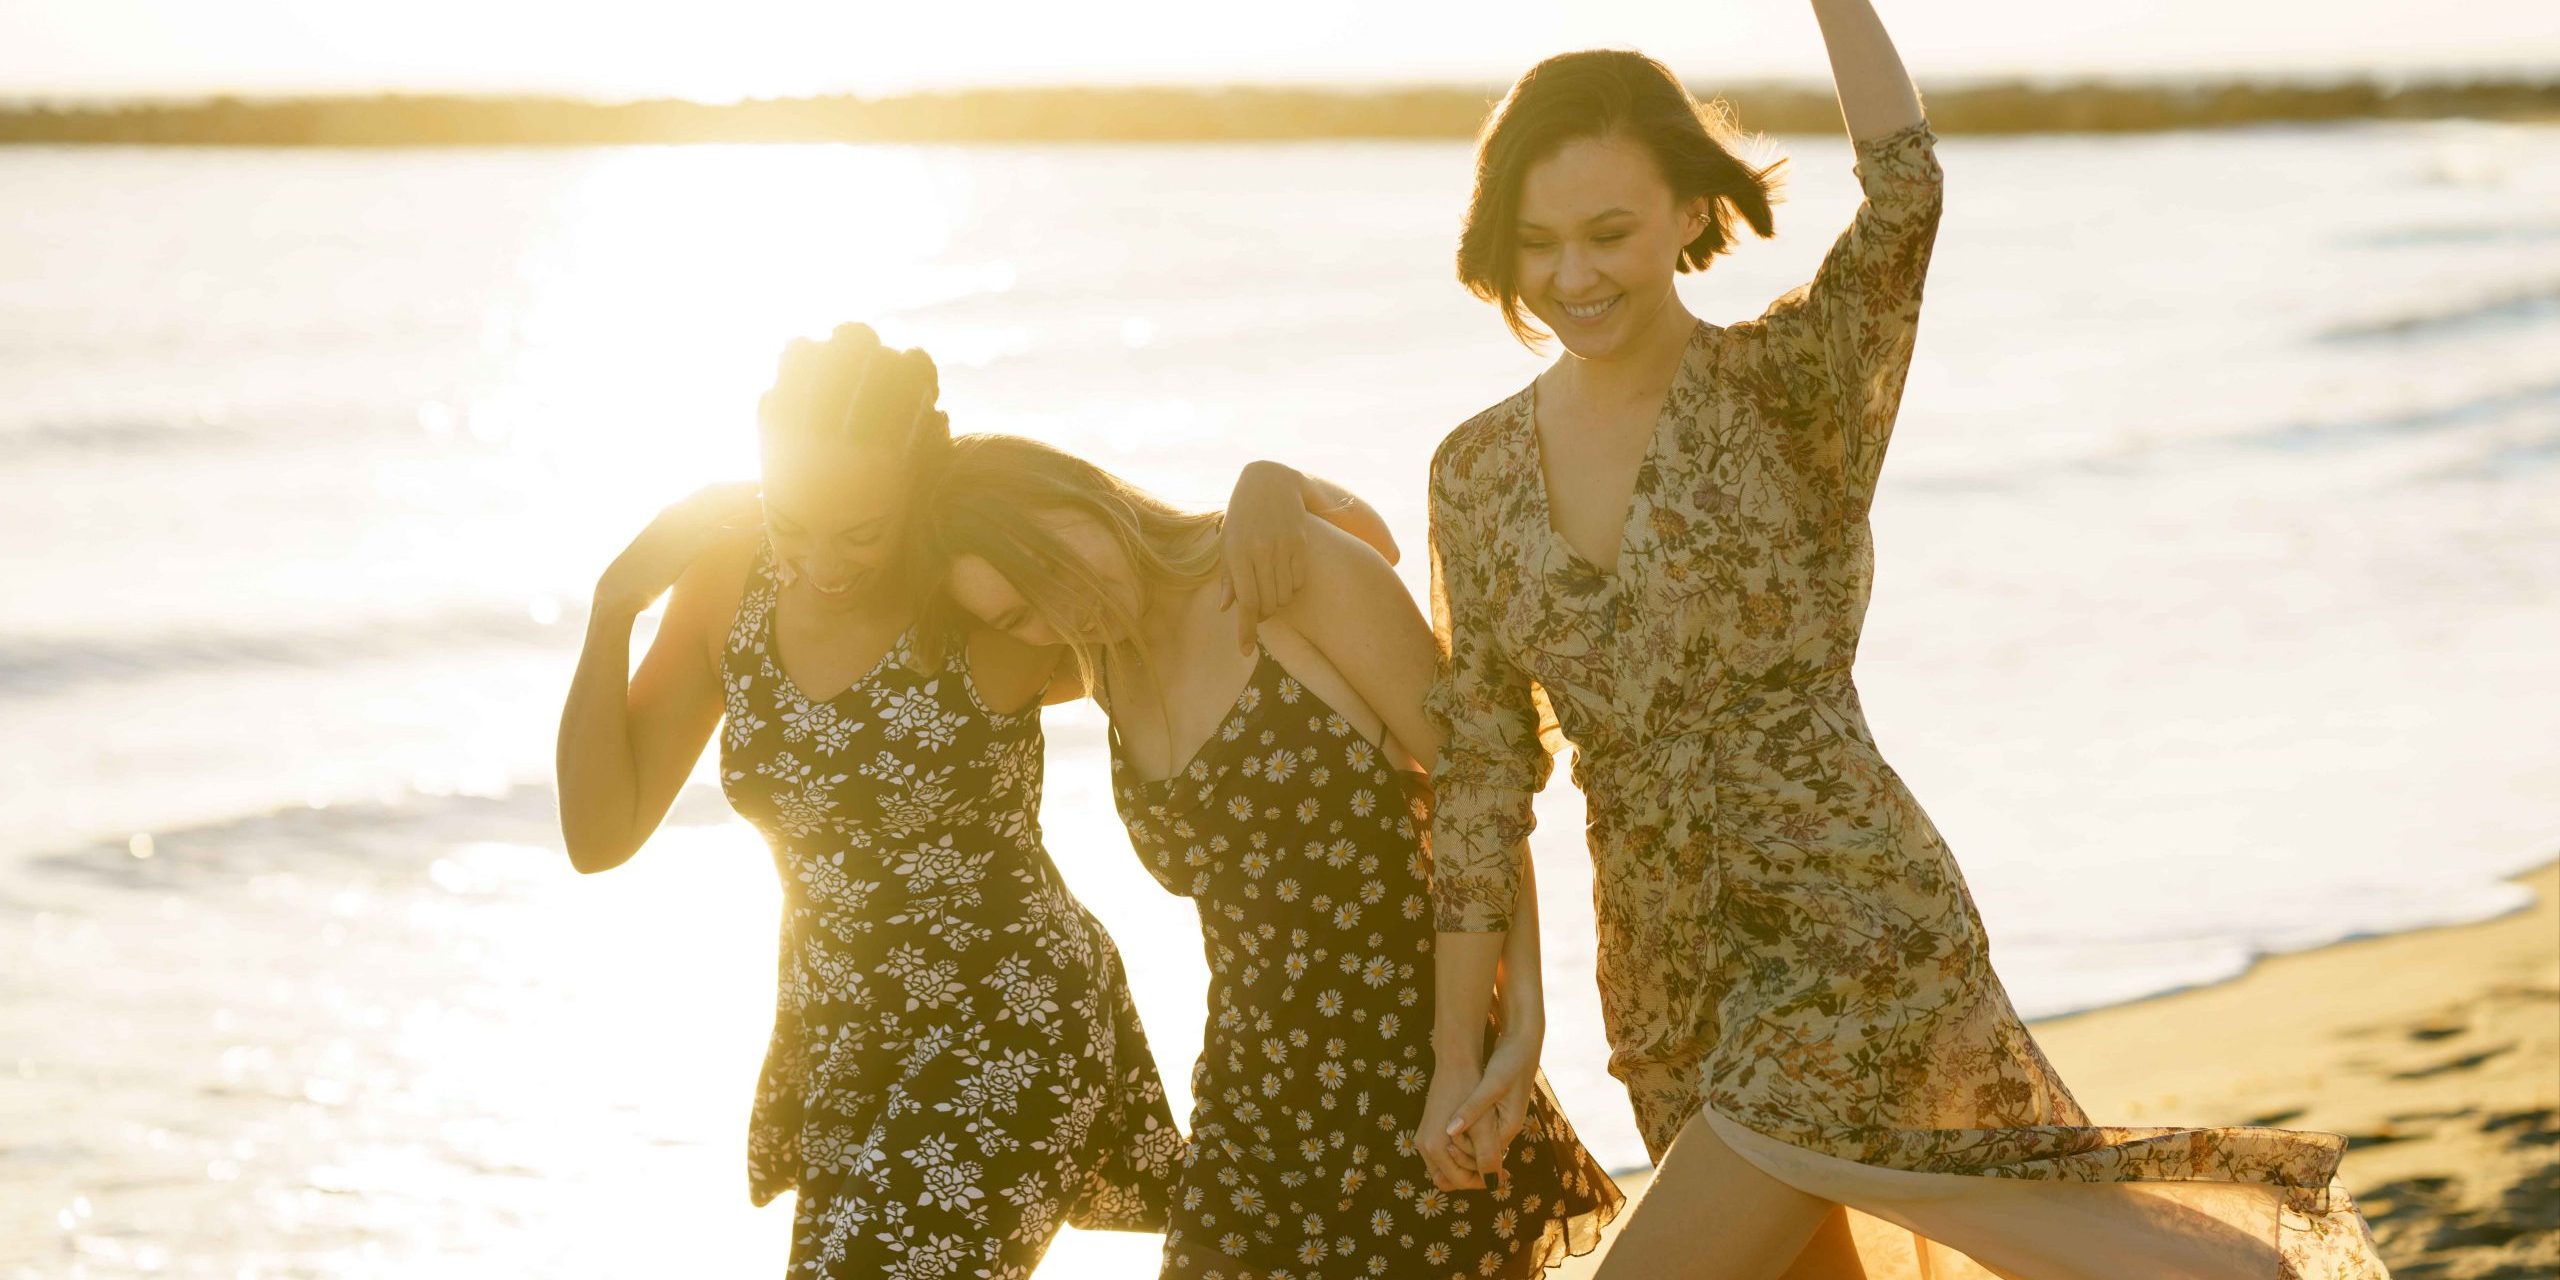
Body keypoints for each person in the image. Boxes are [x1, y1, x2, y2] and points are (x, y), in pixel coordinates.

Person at [1410, 11, 2393, 1278]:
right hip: (1660, 977)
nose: (1574, 275)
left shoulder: (1793, 386)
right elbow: (1483, 775)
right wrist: (1464, 1053)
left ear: (1686, 213)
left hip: (1850, 933)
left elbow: (1905, 190)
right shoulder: (1474, 471)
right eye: (1537, 242)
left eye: (1609, 232)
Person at [553, 324, 1374, 1277]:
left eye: (862, 531)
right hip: (844, 1042)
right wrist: (615, 605)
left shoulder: (982, 601)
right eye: (793, 524)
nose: (824, 562)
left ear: (916, 491)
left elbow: (1225, 571)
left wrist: (1279, 485)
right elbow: (598, 835)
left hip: (1014, 1021)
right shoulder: (726, 594)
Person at [918, 433, 1624, 1279]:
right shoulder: (1101, 660)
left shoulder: (1276, 575)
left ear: (1078, 494)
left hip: (1416, 1087)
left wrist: (1510, 1035)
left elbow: (1479, 791)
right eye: (1016, 617)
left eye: (1048, 570)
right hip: (1246, 1118)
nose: (1058, 615)